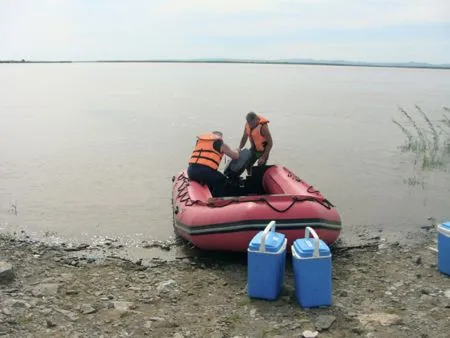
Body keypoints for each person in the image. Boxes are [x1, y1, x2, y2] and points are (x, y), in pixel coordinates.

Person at [187, 131, 239, 197]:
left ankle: (207, 196)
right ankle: (217, 200)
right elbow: (235, 156)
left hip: (191, 170)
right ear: (220, 137)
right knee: (222, 180)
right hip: (204, 171)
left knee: (212, 177)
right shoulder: (220, 144)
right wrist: (237, 150)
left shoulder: (200, 142)